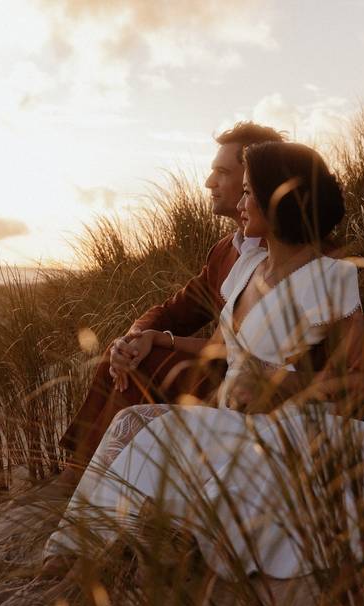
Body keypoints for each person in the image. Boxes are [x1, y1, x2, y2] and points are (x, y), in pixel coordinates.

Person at [43, 141, 364, 579]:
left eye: (248, 192)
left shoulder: (331, 277)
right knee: (135, 425)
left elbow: (363, 378)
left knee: (143, 425)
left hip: (287, 428)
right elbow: (219, 346)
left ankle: (82, 552)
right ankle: (84, 549)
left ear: (281, 198)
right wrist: (161, 339)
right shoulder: (248, 267)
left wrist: (284, 387)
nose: (239, 203)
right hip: (228, 421)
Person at [59, 122, 285, 473]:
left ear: (256, 176)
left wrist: (157, 342)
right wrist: (134, 338)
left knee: (140, 365)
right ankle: (80, 470)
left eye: (222, 172)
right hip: (213, 366)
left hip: (241, 383)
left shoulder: (298, 255)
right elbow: (175, 309)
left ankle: (100, 482)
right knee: (123, 353)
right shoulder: (226, 250)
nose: (210, 182)